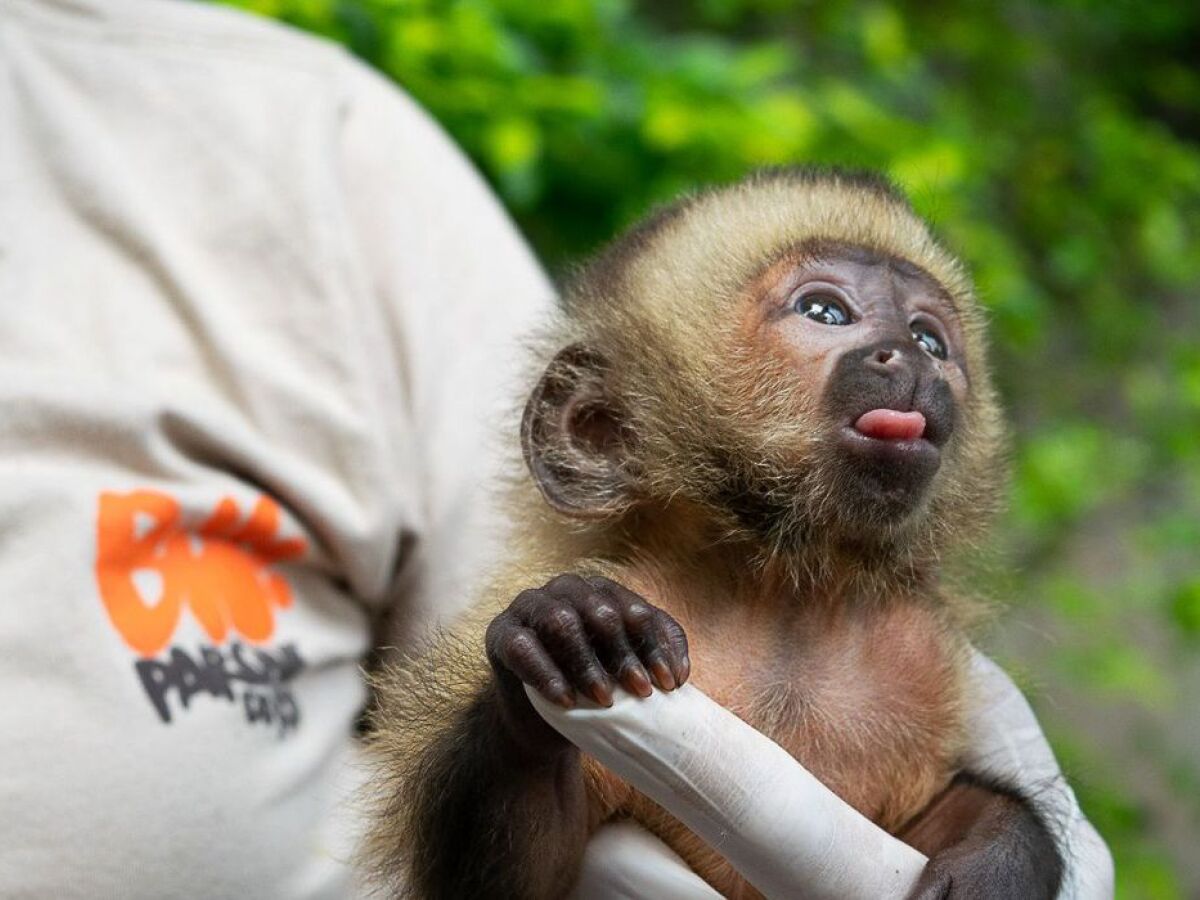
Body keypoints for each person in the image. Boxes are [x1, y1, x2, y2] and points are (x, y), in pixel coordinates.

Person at [0, 0, 1111, 896]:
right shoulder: (612, 622)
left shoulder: (311, 145)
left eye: (931, 334)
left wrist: (1013, 838)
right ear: (597, 430)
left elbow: (953, 814)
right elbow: (486, 869)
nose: (903, 359)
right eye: (822, 311)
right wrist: (522, 727)